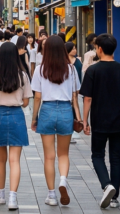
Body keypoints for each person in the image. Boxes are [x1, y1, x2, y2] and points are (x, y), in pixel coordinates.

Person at [81, 34, 120, 209]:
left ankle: (107, 185)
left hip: (99, 120)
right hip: (119, 120)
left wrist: (84, 121)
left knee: (97, 155)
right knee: (115, 158)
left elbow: (87, 98)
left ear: (99, 49)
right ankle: (114, 198)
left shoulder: (93, 70)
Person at [30, 35, 81, 207]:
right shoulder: (71, 69)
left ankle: (51, 195)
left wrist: (34, 118)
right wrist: (79, 117)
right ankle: (63, 181)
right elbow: (75, 94)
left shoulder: (40, 69)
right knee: (64, 154)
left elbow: (37, 97)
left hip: (47, 110)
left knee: (49, 156)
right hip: (66, 110)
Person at [0, 42, 33, 210]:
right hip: (16, 117)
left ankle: (1, 194)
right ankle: (13, 198)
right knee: (15, 160)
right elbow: (26, 102)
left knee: (0, 159)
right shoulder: (23, 76)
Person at [66, 42, 83, 145]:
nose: (75, 50)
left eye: (75, 48)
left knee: (74, 108)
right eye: (72, 49)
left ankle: (71, 131)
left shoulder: (78, 61)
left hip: (76, 89)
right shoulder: (64, 62)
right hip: (67, 91)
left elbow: (80, 76)